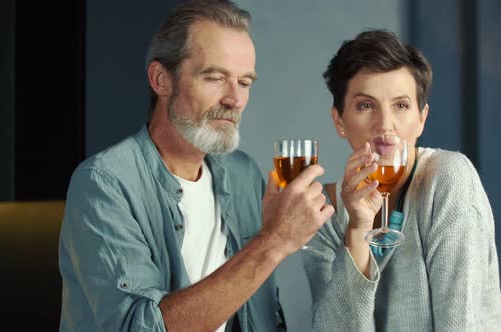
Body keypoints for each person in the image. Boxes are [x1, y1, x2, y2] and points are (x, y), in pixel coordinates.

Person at [58, 1, 334, 331]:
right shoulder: (104, 184)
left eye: (245, 82)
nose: (235, 99)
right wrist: (274, 242)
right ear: (161, 80)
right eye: (215, 78)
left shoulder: (243, 173)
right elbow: (138, 326)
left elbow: (263, 313)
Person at [303, 29, 501, 331]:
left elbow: (461, 324)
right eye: (366, 105)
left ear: (421, 118)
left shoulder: (448, 178)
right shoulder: (324, 212)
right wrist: (357, 226)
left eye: (401, 105)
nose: (385, 125)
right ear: (339, 120)